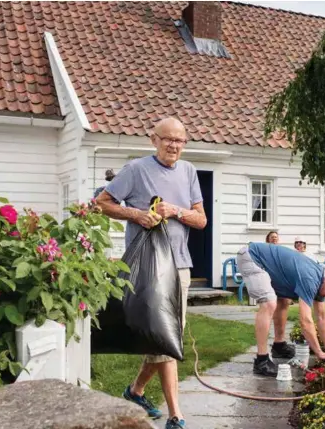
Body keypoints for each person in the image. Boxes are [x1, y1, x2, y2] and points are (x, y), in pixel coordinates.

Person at [96, 117, 206, 429]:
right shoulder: (136, 169)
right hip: (148, 268)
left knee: (169, 337)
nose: (174, 145)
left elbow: (201, 220)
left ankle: (135, 391)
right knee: (162, 338)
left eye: (180, 140)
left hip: (180, 266)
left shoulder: (188, 172)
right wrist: (137, 214)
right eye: (167, 139)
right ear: (153, 139)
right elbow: (101, 203)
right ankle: (176, 415)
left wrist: (177, 211)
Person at [236, 242, 325, 377]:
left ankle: (279, 346)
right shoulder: (311, 278)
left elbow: (322, 317)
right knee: (269, 303)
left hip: (268, 264)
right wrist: (318, 352)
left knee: (284, 300)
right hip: (252, 257)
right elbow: (305, 321)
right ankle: (261, 361)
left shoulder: (322, 282)